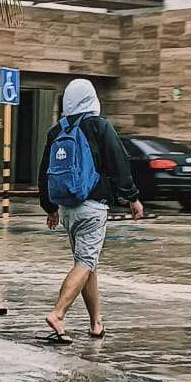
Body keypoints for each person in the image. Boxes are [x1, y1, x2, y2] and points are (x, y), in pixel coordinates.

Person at [37, 78, 141, 344]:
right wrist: (132, 197)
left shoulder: (56, 130)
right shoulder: (99, 126)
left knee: (87, 264)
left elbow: (44, 173)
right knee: (85, 263)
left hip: (68, 210)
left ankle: (96, 323)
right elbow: (119, 162)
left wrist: (50, 207)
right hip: (93, 207)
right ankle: (58, 314)